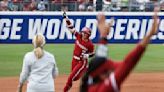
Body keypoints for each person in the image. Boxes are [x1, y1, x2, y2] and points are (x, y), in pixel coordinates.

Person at [80, 7, 159, 92]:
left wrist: (103, 36)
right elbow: (128, 63)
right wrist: (150, 34)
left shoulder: (89, 83)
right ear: (102, 75)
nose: (113, 69)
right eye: (109, 69)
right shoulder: (106, 88)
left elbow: (100, 56)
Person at [63, 11, 95, 92]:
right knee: (75, 78)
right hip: (74, 60)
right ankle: (86, 71)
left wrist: (87, 56)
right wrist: (66, 18)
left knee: (71, 78)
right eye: (82, 32)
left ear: (88, 35)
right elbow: (71, 27)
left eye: (84, 33)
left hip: (82, 62)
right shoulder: (79, 36)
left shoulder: (90, 44)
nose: (82, 33)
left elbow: (92, 53)